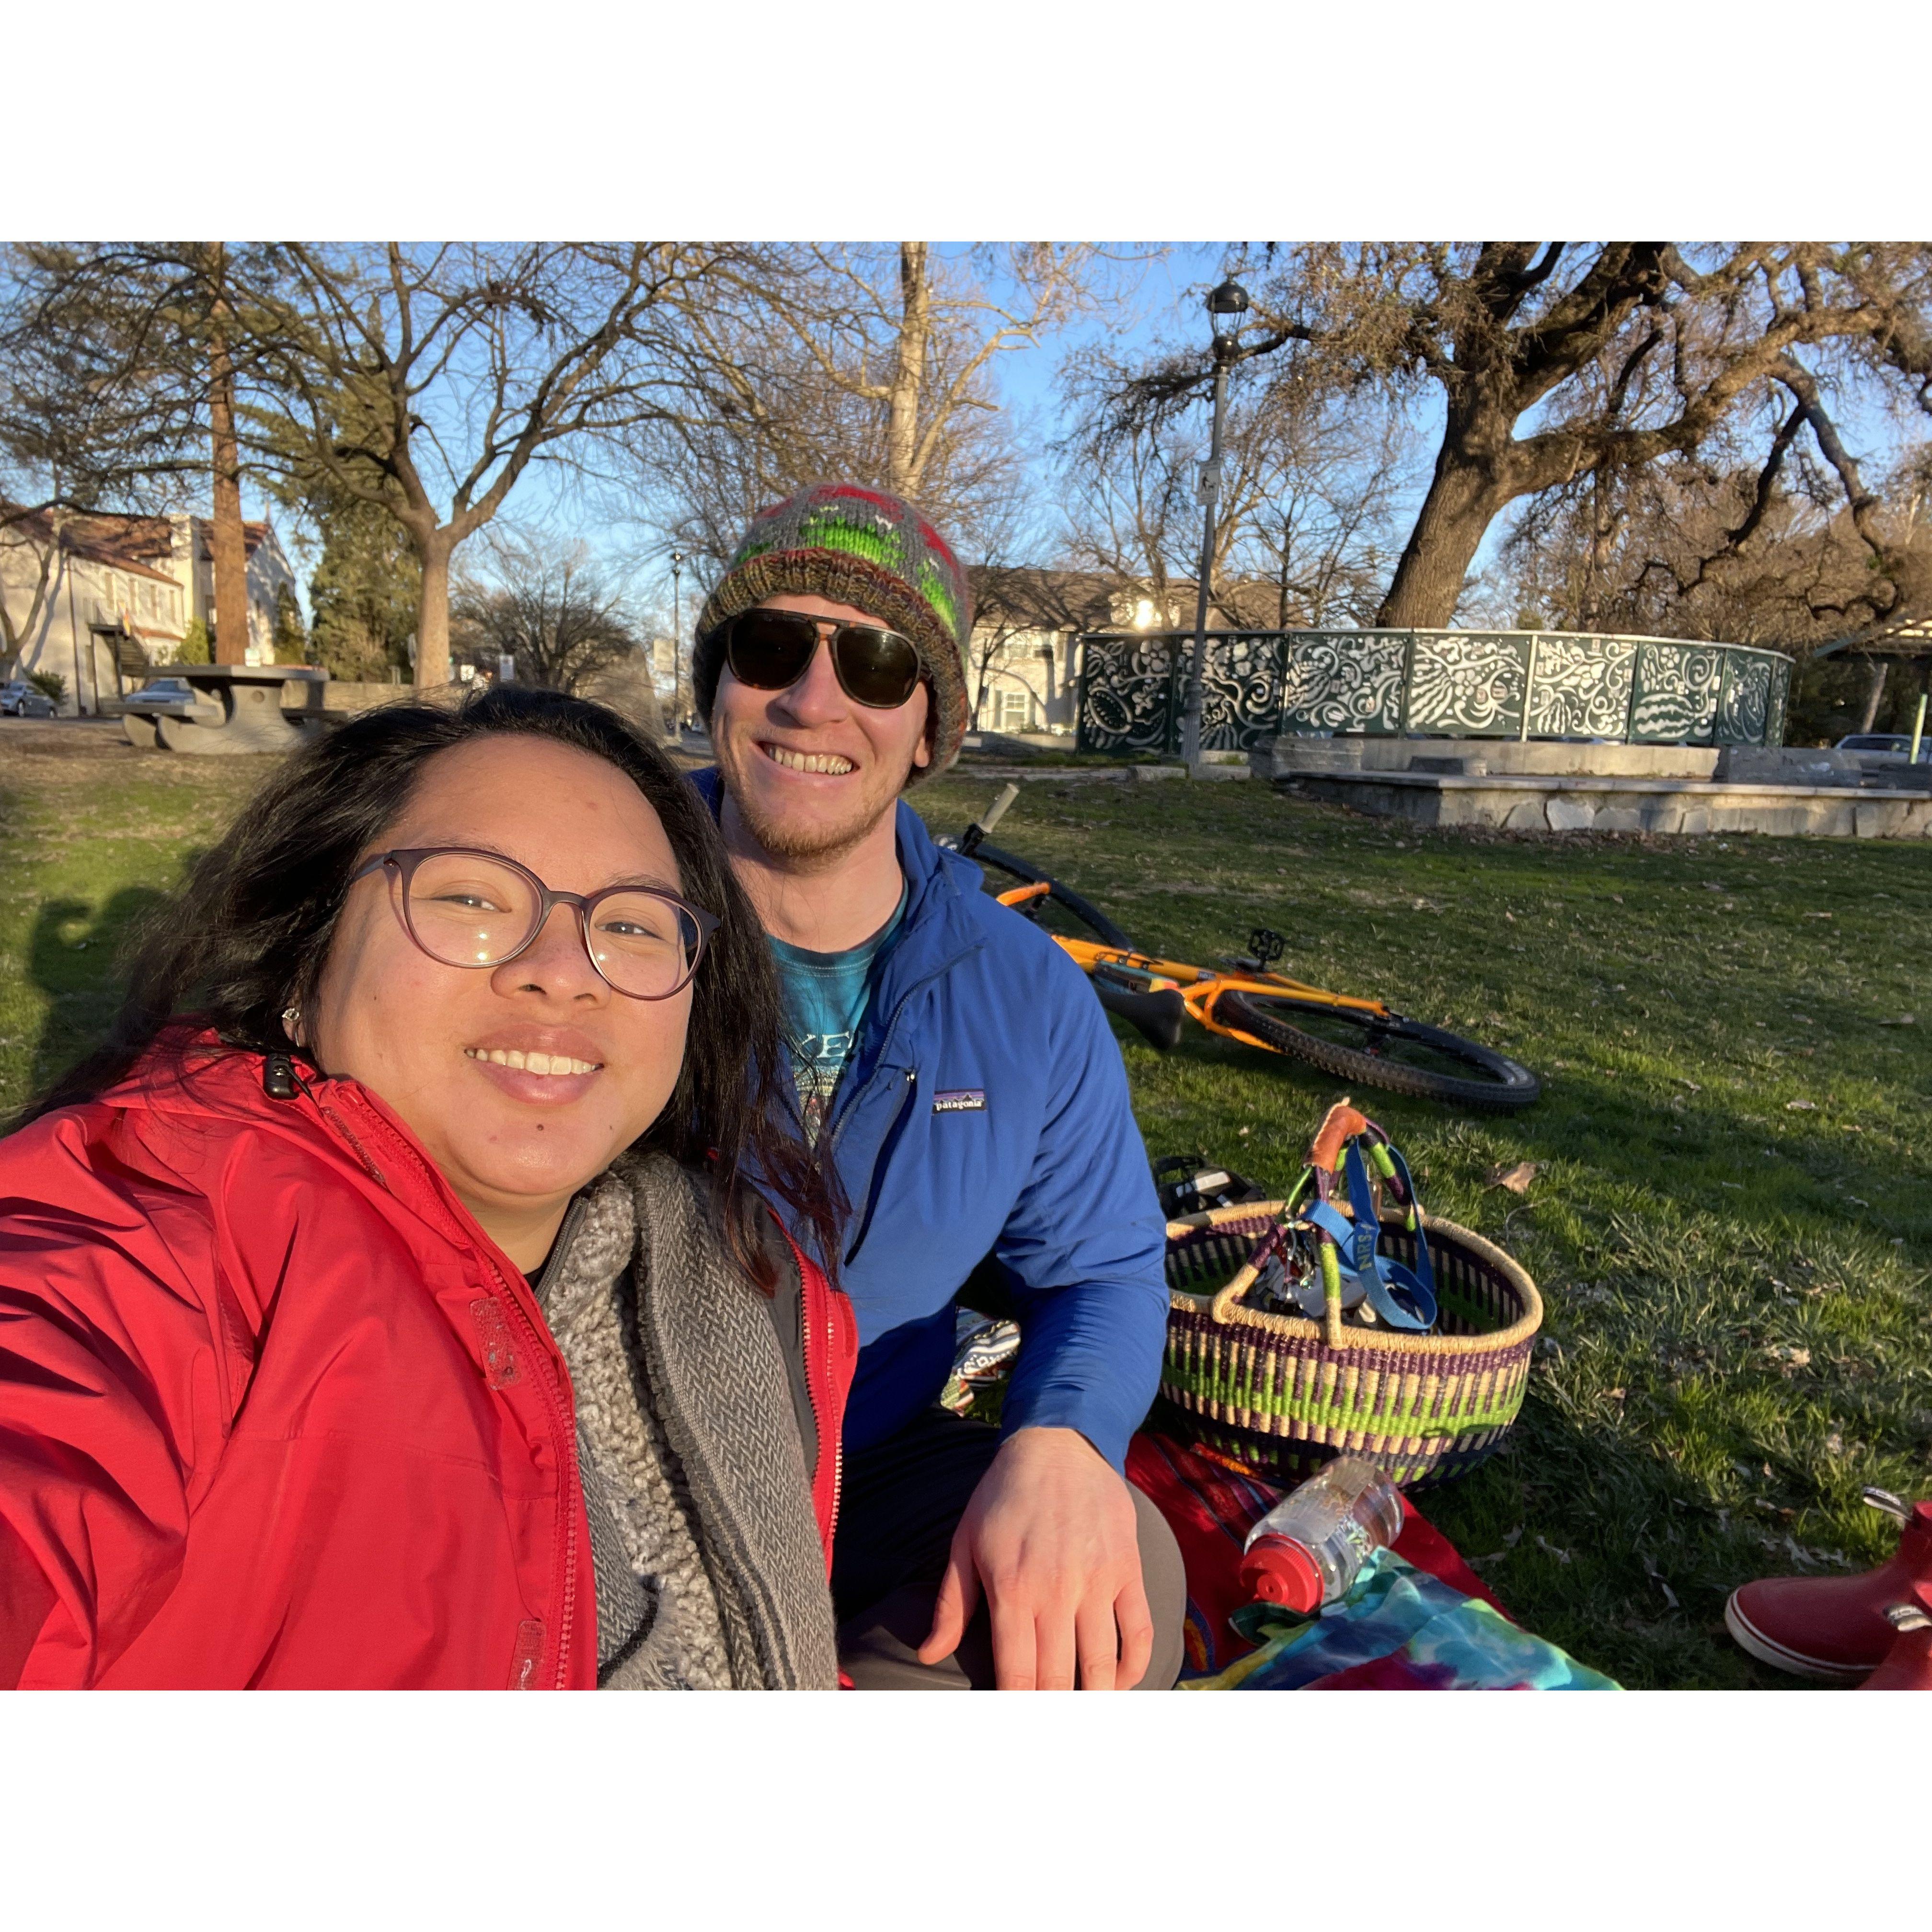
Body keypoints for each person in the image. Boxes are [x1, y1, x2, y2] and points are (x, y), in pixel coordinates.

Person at [0, 687, 852, 1690]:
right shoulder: (149, 1251)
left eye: (630, 924)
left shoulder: (752, 1290)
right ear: (304, 954)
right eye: (471, 898)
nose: (564, 971)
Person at [687, 482, 1184, 1691]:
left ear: (929, 728)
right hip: (618, 1478)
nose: (814, 698)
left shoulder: (1024, 991)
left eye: (874, 662)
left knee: (1120, 1581)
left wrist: (1065, 1437)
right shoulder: (590, 919)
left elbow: (1103, 1269)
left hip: (874, 1466)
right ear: (713, 685)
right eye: (769, 650)